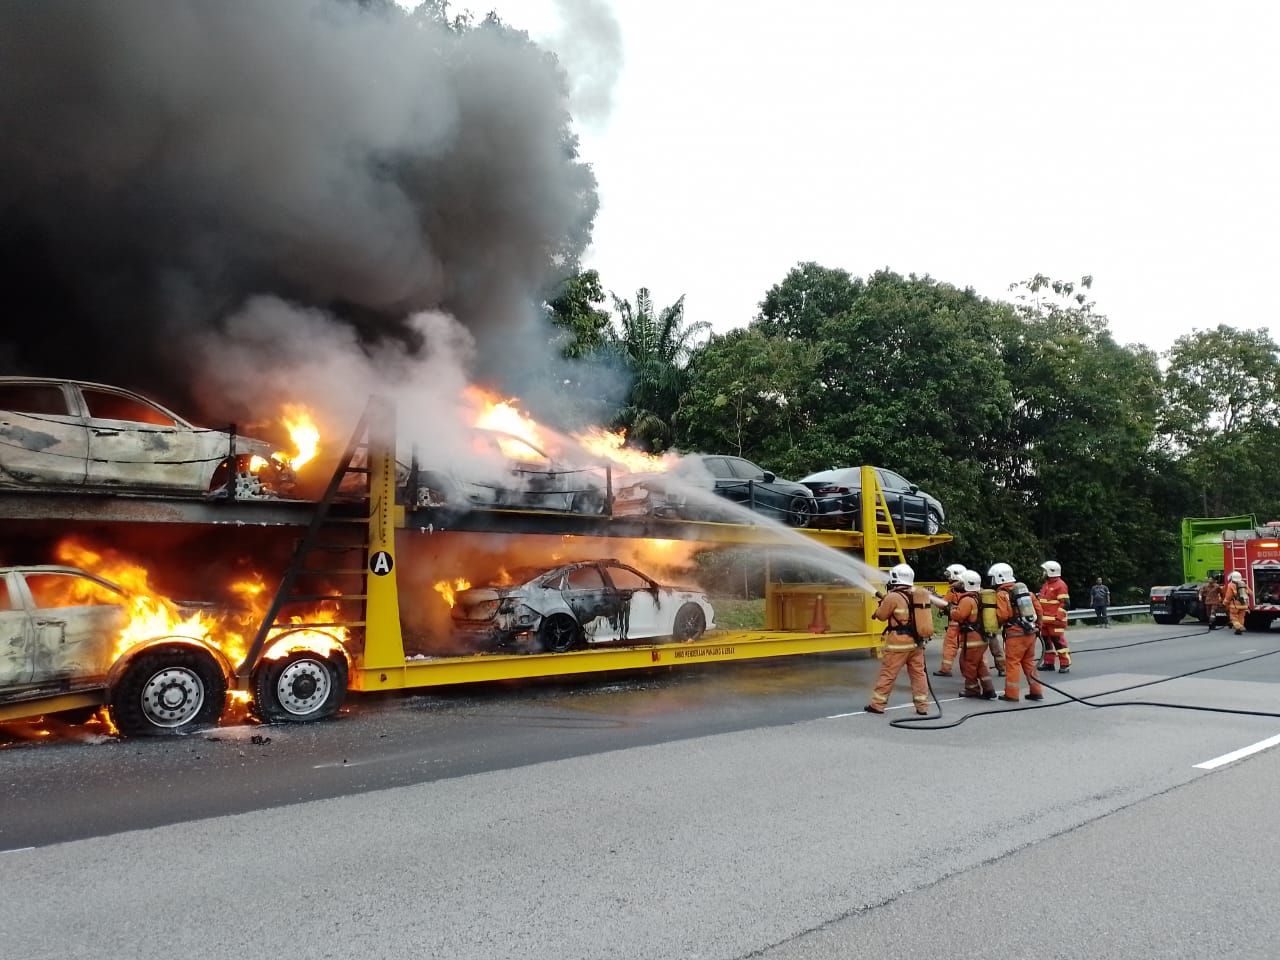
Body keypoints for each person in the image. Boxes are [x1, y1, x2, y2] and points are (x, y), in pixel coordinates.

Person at [866, 562, 930, 716]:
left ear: (895, 578)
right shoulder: (916, 594)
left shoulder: (893, 596)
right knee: (919, 675)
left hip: (898, 644)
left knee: (888, 673)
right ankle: (922, 707)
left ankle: (877, 705)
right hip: (917, 643)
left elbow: (881, 616)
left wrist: (879, 608)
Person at [989, 562, 1044, 703]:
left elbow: (1003, 615)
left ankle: (1012, 694)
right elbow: (1039, 610)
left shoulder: (1002, 594)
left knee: (1012, 663)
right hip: (1031, 632)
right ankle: (1036, 691)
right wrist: (1038, 627)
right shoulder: (1026, 592)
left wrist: (997, 625)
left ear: (999, 578)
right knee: (1029, 662)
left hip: (1015, 635)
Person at [955, 569, 996, 699]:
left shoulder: (967, 600)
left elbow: (959, 616)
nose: (959, 584)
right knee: (979, 663)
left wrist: (951, 610)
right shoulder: (978, 596)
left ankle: (972, 689)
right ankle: (989, 689)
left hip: (972, 638)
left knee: (968, 663)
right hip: (981, 637)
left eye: (961, 582)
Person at [932, 563, 968, 677]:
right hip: (970, 624)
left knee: (950, 646)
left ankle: (945, 669)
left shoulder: (953, 590)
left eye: (949, 575)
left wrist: (933, 598)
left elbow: (943, 604)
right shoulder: (970, 588)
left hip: (955, 624)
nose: (948, 578)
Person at [1037, 560, 1072, 674]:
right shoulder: (1046, 584)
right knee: (1046, 643)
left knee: (1059, 643)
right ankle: (1049, 663)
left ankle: (1065, 664)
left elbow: (1065, 603)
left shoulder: (1060, 585)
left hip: (1055, 622)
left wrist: (1058, 617)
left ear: (1050, 572)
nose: (1043, 573)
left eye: (1044, 571)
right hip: (1045, 621)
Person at [1223, 571, 1249, 635]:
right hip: (1243, 604)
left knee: (1233, 617)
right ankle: (1240, 627)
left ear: (1232, 578)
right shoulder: (1243, 584)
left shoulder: (1231, 585)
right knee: (1241, 617)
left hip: (1235, 605)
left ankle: (1239, 627)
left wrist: (1225, 603)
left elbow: (1228, 596)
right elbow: (1250, 593)